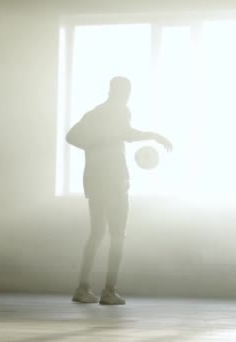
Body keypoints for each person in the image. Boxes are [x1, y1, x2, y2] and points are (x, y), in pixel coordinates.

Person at [66, 76, 173, 305]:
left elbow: (71, 136)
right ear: (125, 92)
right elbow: (128, 134)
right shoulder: (120, 110)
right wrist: (154, 135)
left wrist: (95, 143)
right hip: (114, 180)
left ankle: (82, 288)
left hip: (93, 180)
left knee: (96, 234)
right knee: (118, 236)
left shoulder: (93, 113)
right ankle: (109, 291)